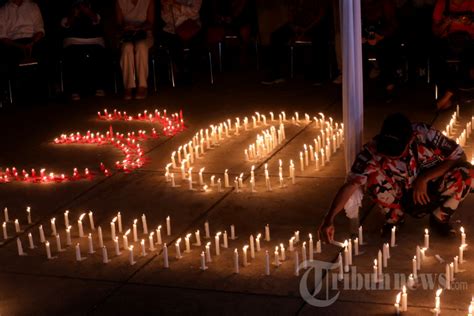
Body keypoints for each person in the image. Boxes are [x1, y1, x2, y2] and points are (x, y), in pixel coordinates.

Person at [319, 113, 472, 243]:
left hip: (433, 185)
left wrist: (424, 179)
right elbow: (351, 185)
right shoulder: (371, 152)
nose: (392, 156)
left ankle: (440, 217)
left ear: (411, 139)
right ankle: (394, 218)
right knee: (370, 177)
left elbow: (459, 156)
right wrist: (329, 219)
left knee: (467, 173)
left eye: (398, 151)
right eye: (387, 151)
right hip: (400, 192)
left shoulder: (425, 135)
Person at [261, 0, 331, 85]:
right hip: (298, 26)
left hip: (314, 26)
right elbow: (291, 14)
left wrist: (306, 30)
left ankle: (320, 75)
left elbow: (321, 16)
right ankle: (276, 73)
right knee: (275, 35)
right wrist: (293, 27)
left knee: (319, 34)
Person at [61, 0, 106, 101]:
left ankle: (99, 86)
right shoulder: (68, 9)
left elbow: (97, 19)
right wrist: (75, 14)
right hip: (73, 42)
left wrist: (86, 10)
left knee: (98, 53)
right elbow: (66, 24)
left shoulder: (94, 8)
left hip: (94, 41)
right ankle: (75, 90)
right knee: (73, 54)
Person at [432, 0, 474, 110]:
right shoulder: (442, 4)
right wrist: (447, 22)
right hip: (448, 41)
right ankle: (449, 95)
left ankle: (447, 97)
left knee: (467, 56)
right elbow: (436, 32)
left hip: (469, 41)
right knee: (438, 54)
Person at [0, 0, 45, 93]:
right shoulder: (3, 10)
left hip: (32, 39)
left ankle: (42, 91)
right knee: (10, 59)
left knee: (43, 54)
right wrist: (19, 46)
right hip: (13, 42)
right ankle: (19, 93)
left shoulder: (33, 6)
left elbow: (40, 29)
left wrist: (32, 42)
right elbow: (2, 36)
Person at [116, 0, 155, 100]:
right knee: (127, 48)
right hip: (127, 36)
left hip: (144, 34)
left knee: (141, 46)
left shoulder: (148, 1)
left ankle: (142, 86)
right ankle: (128, 87)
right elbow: (118, 25)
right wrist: (126, 27)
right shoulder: (120, 2)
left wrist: (140, 27)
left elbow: (150, 23)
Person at [361, 0, 399, 100]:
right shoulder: (362, 4)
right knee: (359, 53)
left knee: (384, 51)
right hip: (368, 36)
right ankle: (362, 89)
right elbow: (361, 22)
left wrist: (380, 36)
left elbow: (393, 25)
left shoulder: (385, 4)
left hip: (385, 36)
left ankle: (389, 87)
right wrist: (363, 36)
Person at [161, 0, 203, 84]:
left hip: (192, 27)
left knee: (197, 43)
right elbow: (165, 17)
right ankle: (181, 70)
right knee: (173, 43)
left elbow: (194, 11)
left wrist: (176, 5)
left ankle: (191, 71)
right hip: (173, 29)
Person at [206, 0, 256, 67]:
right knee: (213, 32)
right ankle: (217, 62)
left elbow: (245, 15)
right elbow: (217, 14)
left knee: (245, 30)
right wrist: (222, 18)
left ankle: (243, 56)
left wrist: (232, 16)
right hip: (225, 23)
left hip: (242, 22)